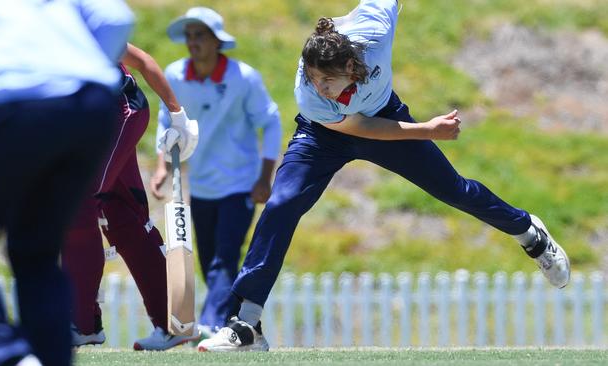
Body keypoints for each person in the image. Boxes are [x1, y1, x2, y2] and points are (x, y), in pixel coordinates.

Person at [198, 0, 570, 352]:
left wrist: (423, 130)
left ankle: (529, 233)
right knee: (281, 204)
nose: (319, 87)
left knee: (454, 190)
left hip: (385, 114)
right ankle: (247, 324)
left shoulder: (374, 30)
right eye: (313, 79)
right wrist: (426, 129)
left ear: (351, 67)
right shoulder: (310, 95)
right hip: (324, 134)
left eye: (326, 80)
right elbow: (361, 128)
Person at [0, 0, 134, 365]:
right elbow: (118, 18)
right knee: (36, 251)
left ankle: (13, 357)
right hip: (93, 110)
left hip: (19, 111)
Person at [151, 7, 282, 338]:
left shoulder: (243, 78)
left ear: (217, 41)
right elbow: (167, 123)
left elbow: (271, 121)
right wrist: (162, 166)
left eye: (200, 35)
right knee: (211, 262)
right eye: (190, 35)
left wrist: (265, 176)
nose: (193, 42)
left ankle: (209, 324)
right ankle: (241, 328)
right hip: (201, 186)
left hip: (240, 184)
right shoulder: (176, 75)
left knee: (224, 258)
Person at [62, 43, 199, 351]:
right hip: (82, 121)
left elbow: (143, 62)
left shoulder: (74, 14)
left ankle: (83, 325)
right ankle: (172, 323)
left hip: (119, 110)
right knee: (122, 217)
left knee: (75, 210)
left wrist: (177, 115)